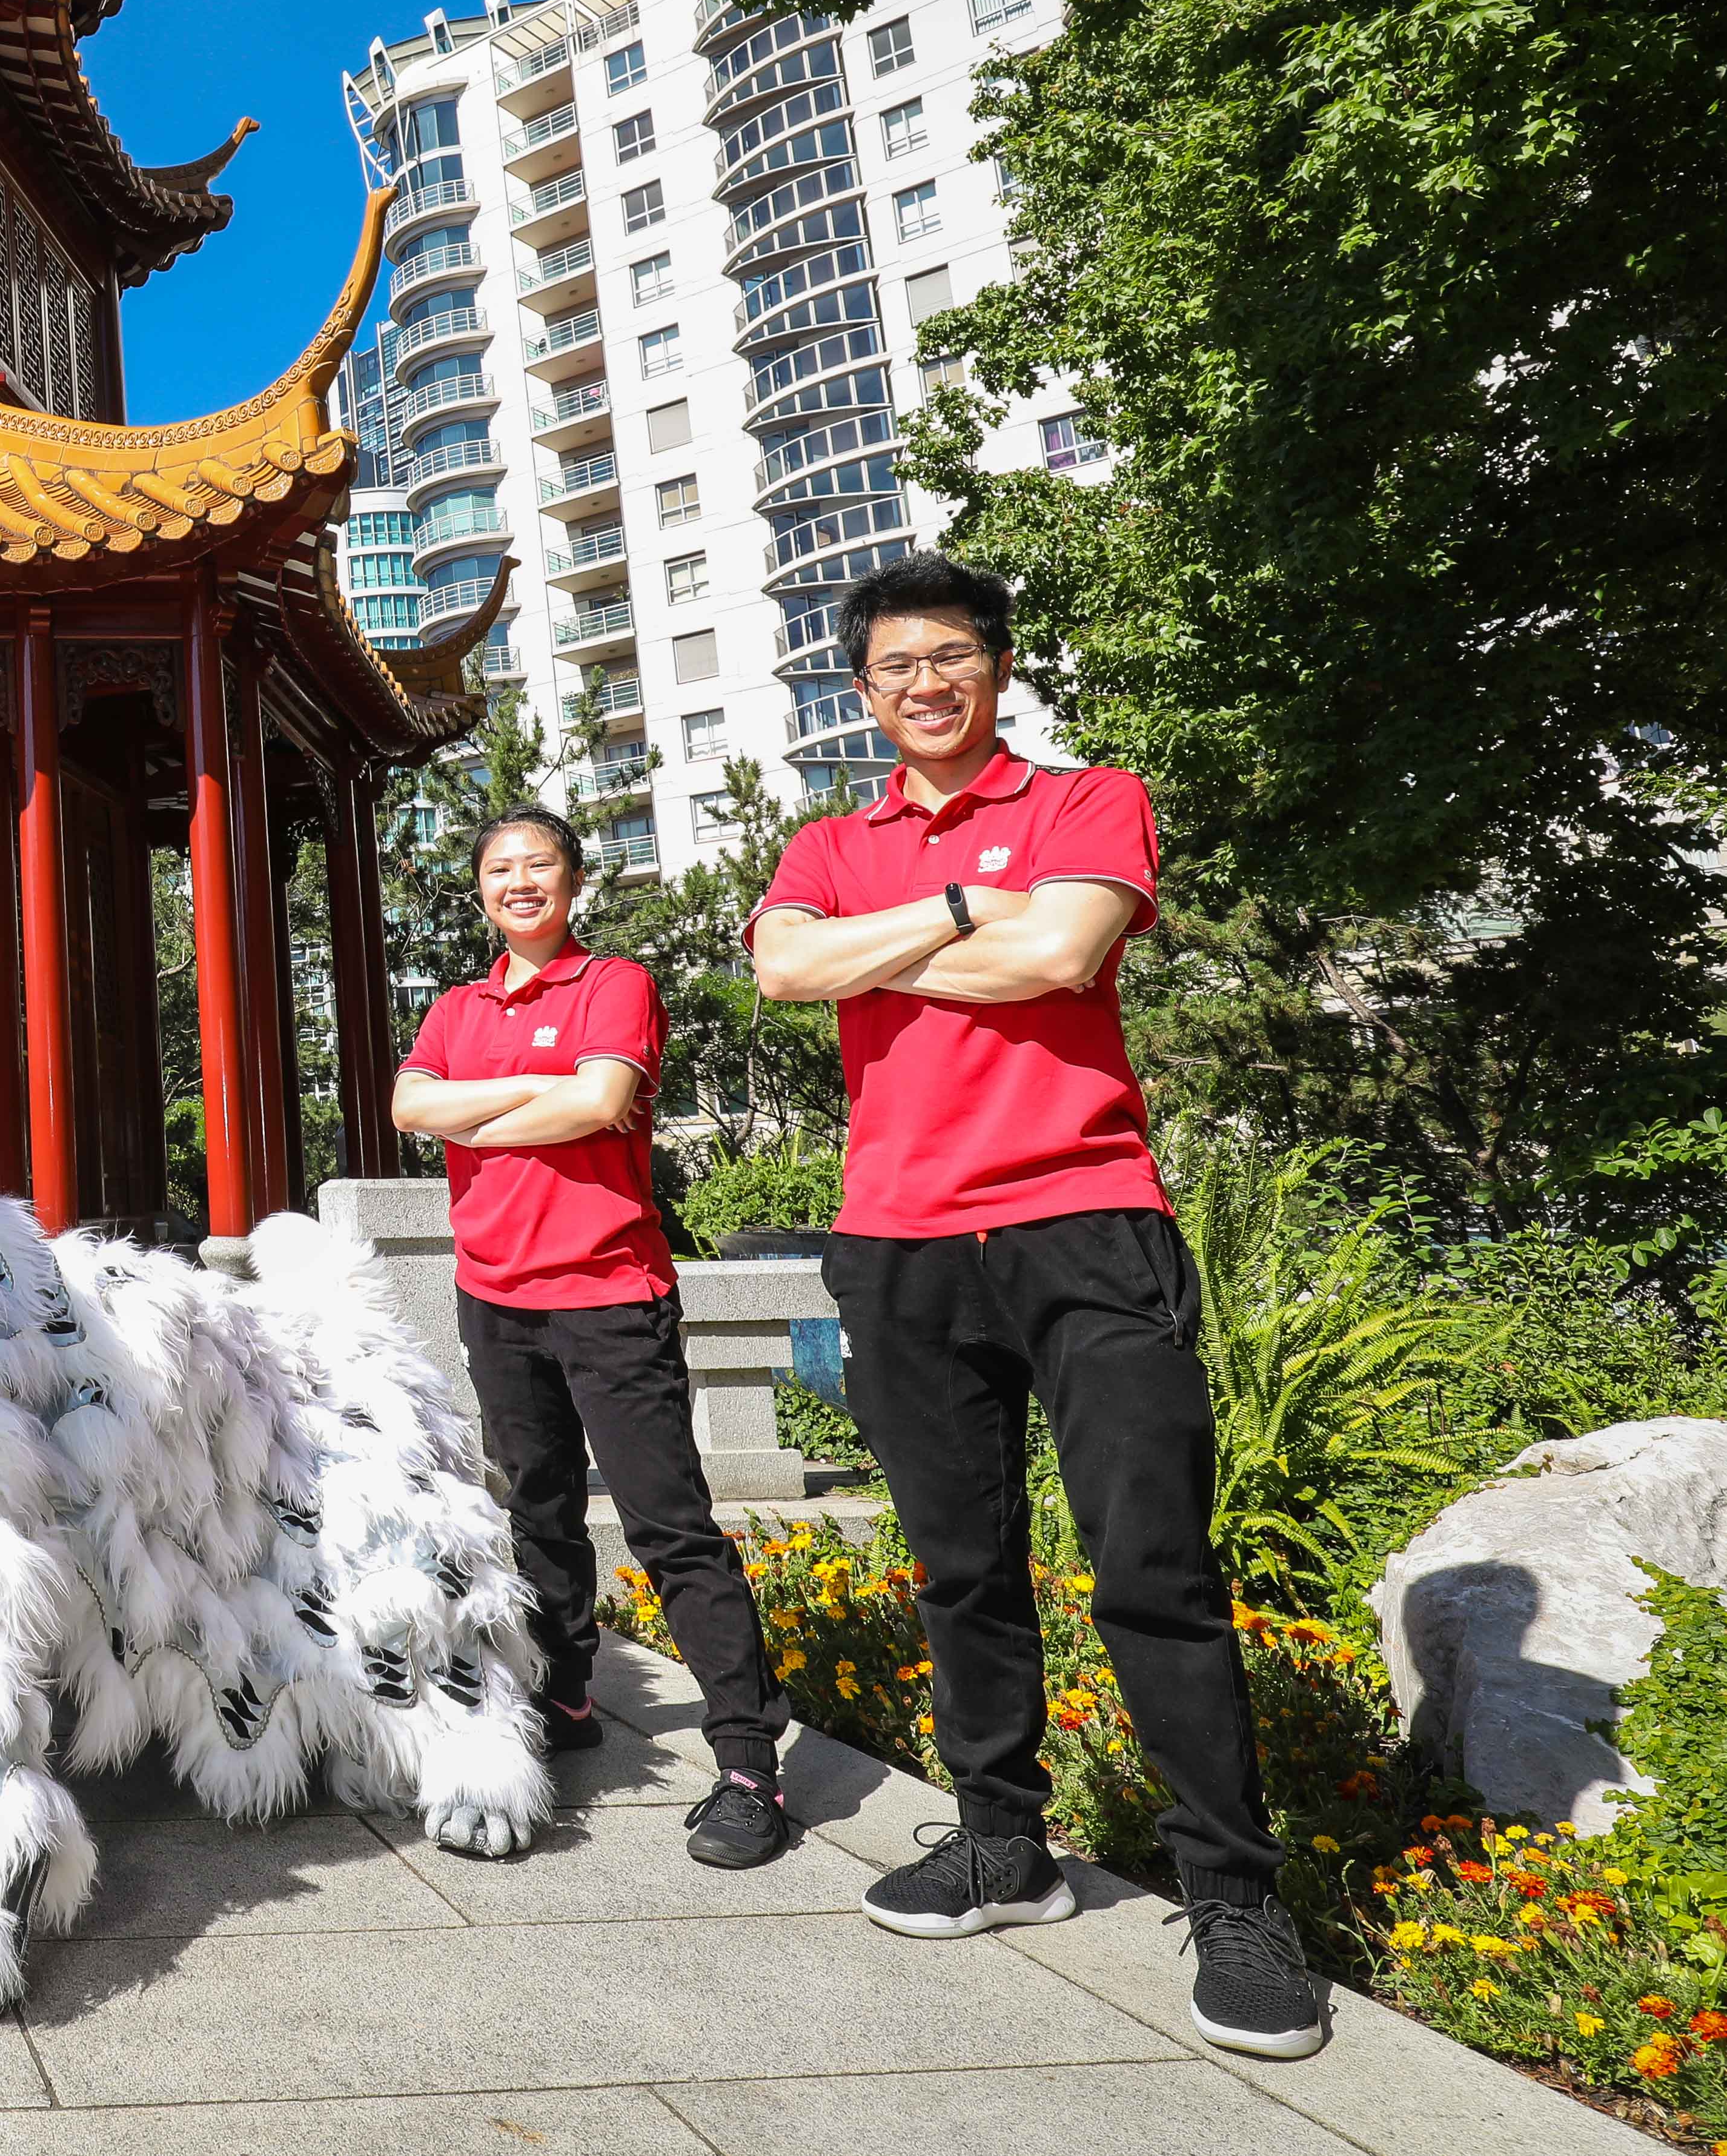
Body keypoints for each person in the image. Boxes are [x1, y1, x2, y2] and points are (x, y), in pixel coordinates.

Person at [746, 551, 1330, 2060]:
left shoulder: (1086, 801)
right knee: (961, 1563)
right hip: (899, 1240)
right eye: (892, 666)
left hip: (1086, 1222)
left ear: (995, 668)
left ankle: (1235, 1891)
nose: (923, 683)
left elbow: (1066, 947)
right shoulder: (831, 837)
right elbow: (783, 967)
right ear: (861, 693)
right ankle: (1004, 1839)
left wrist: (882, 953)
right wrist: (956, 908)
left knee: (1153, 1559)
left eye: (950, 655)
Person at [389, 808, 795, 1872]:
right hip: (498, 1297)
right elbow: (408, 1103)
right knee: (541, 1508)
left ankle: (749, 1757)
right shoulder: (458, 1005)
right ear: (480, 891)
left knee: (669, 1525)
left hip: (609, 1291)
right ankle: (564, 1694)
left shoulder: (614, 984)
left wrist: (479, 1113)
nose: (518, 882)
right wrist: (544, 1094)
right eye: (498, 869)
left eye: (538, 865)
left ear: (573, 880)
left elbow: (603, 1099)